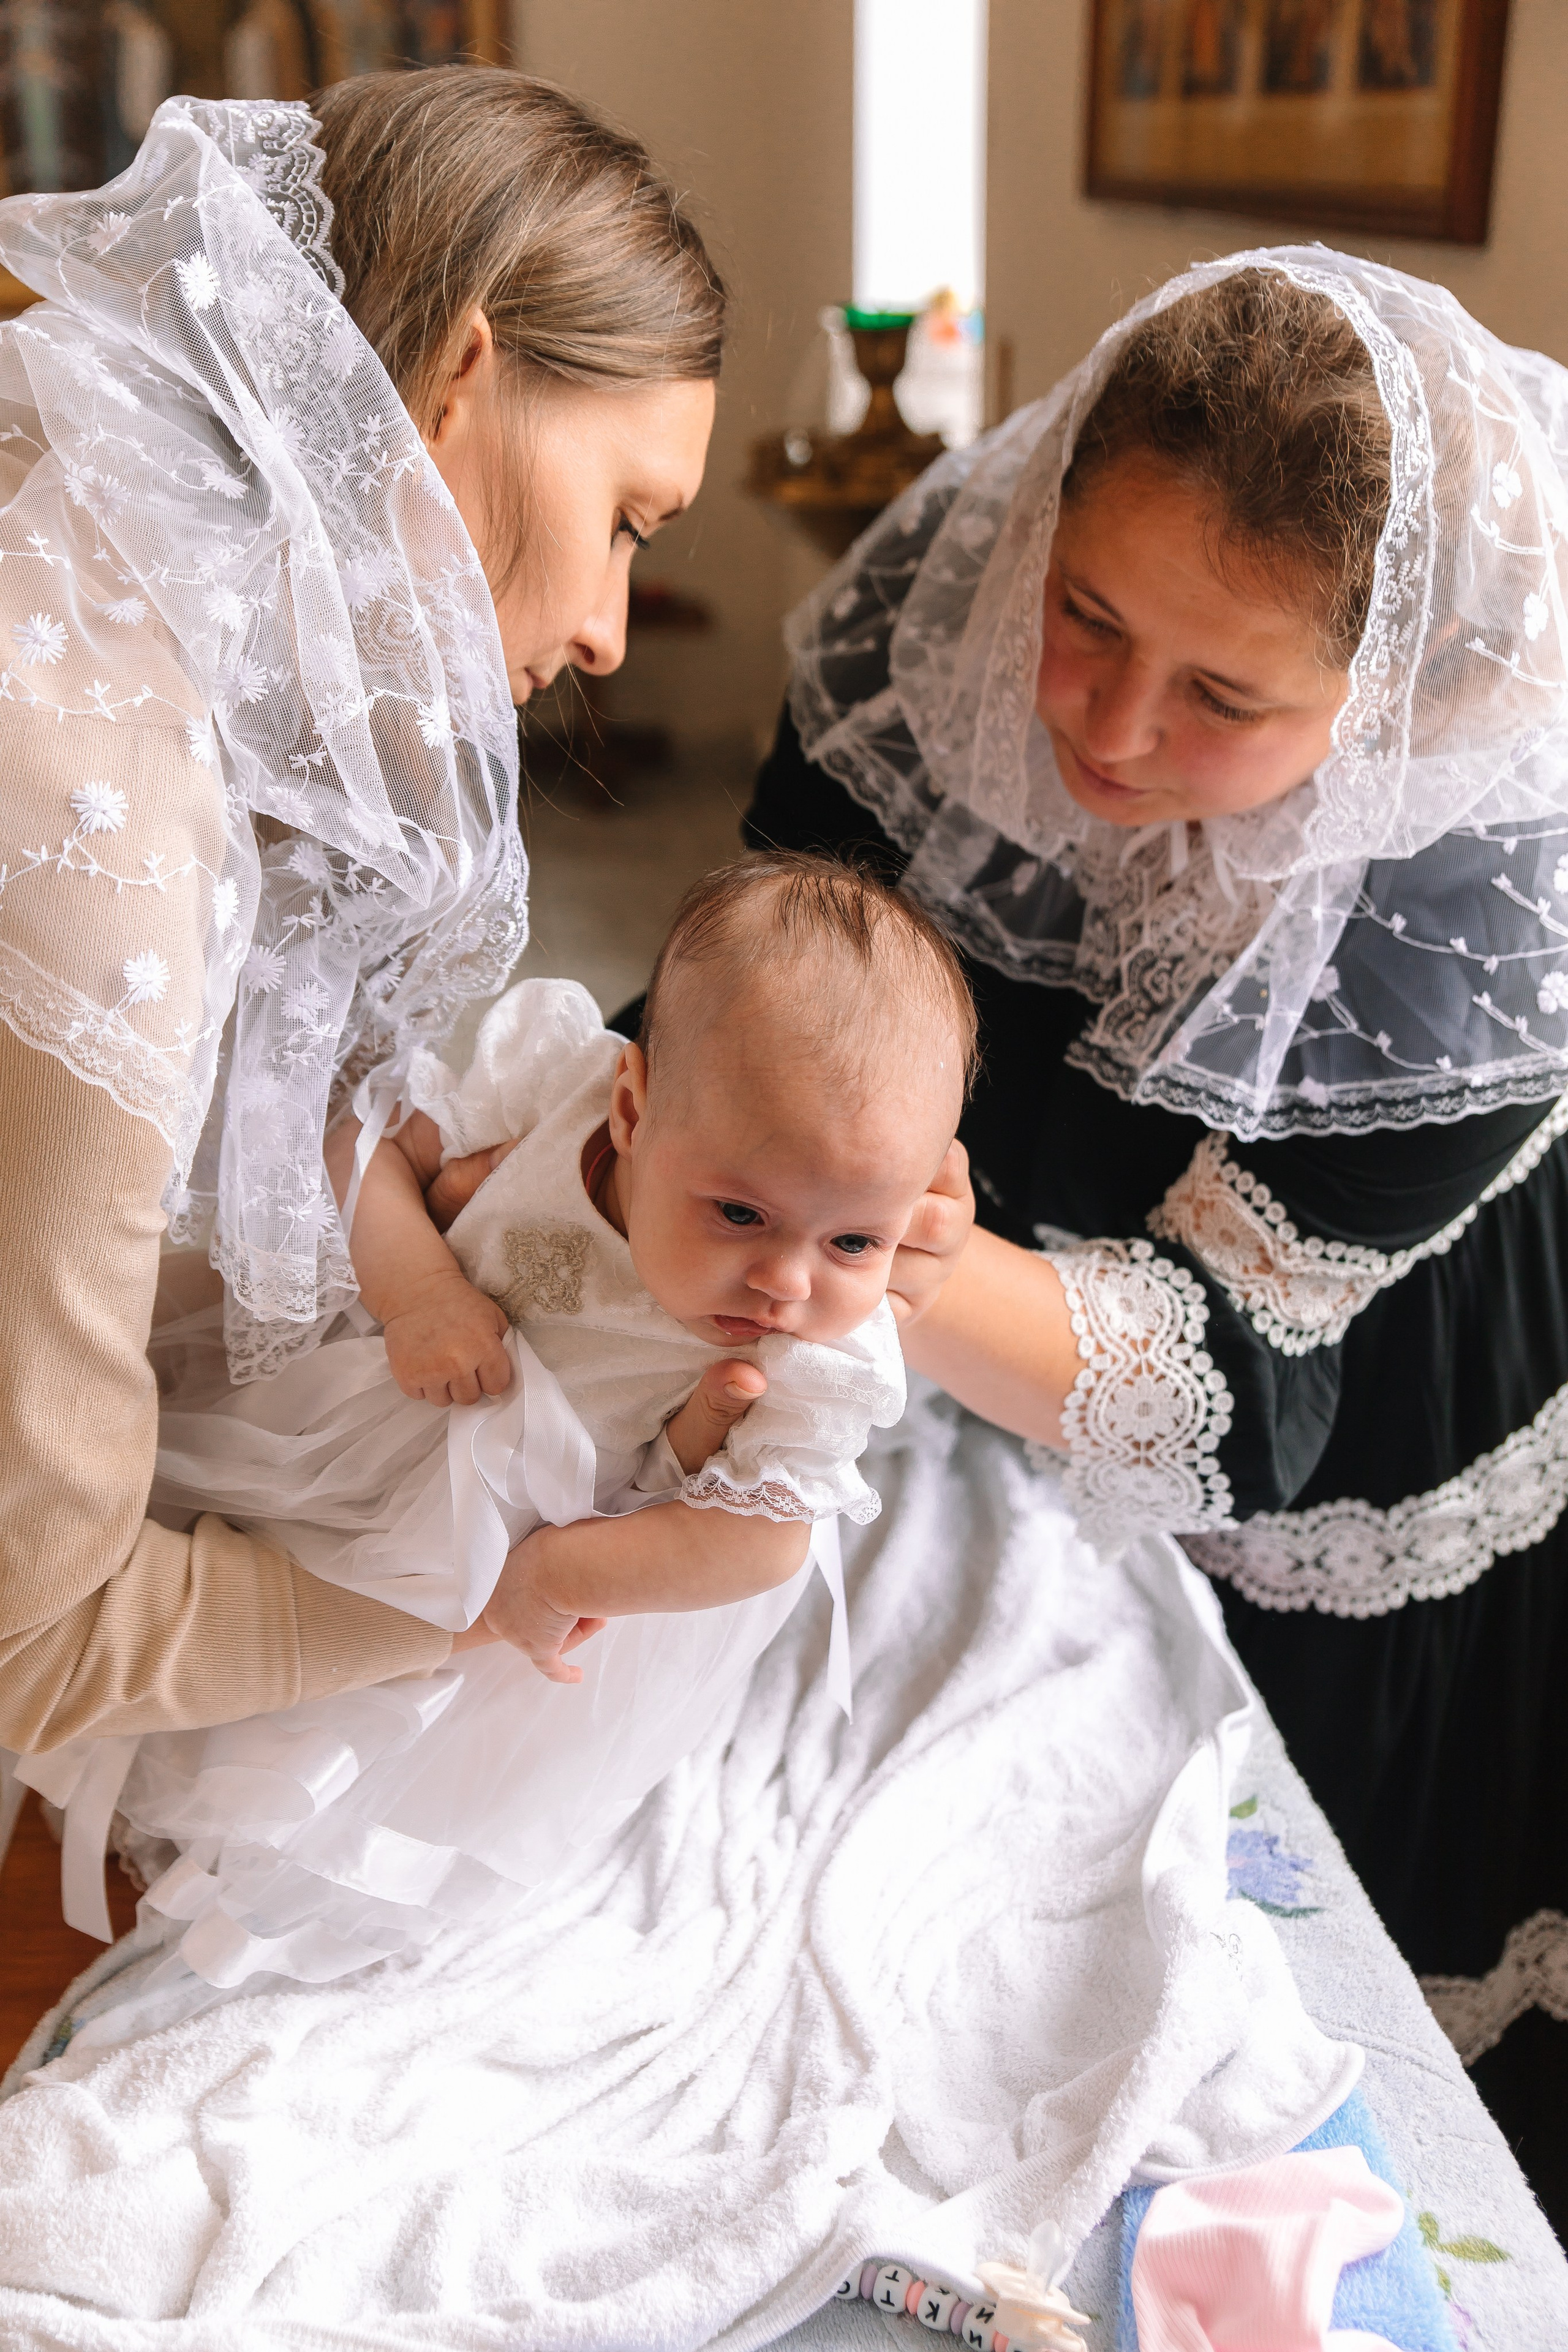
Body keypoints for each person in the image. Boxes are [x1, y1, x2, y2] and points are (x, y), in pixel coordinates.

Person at [747, 255, 1568, 2228]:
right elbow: (782, 985)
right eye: (1085, 616)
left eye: (1222, 696)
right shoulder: (938, 642)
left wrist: (864, 1240)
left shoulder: (1476, 903)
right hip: (981, 1361)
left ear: (1406, 701)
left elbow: (1222, 1372)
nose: (1107, 726)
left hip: (1331, 1482)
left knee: (1271, 2083)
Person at [0, 69, 728, 1754]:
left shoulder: (74, 510)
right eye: (623, 519)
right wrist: (474, 1611)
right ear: (464, 373)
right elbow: (36, 1636)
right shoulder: (106, 857)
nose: (612, 629)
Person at [111, 854, 973, 1984]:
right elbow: (360, 1147)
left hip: (533, 1560)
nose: (786, 1281)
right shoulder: (550, 1093)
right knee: (212, 1575)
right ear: (632, 1107)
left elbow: (761, 1541)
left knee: (376, 1742)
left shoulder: (816, 1355)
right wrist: (419, 1286)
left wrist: (557, 1581)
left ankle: (270, 1868)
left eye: (854, 1240)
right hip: (369, 1416)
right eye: (740, 1213)